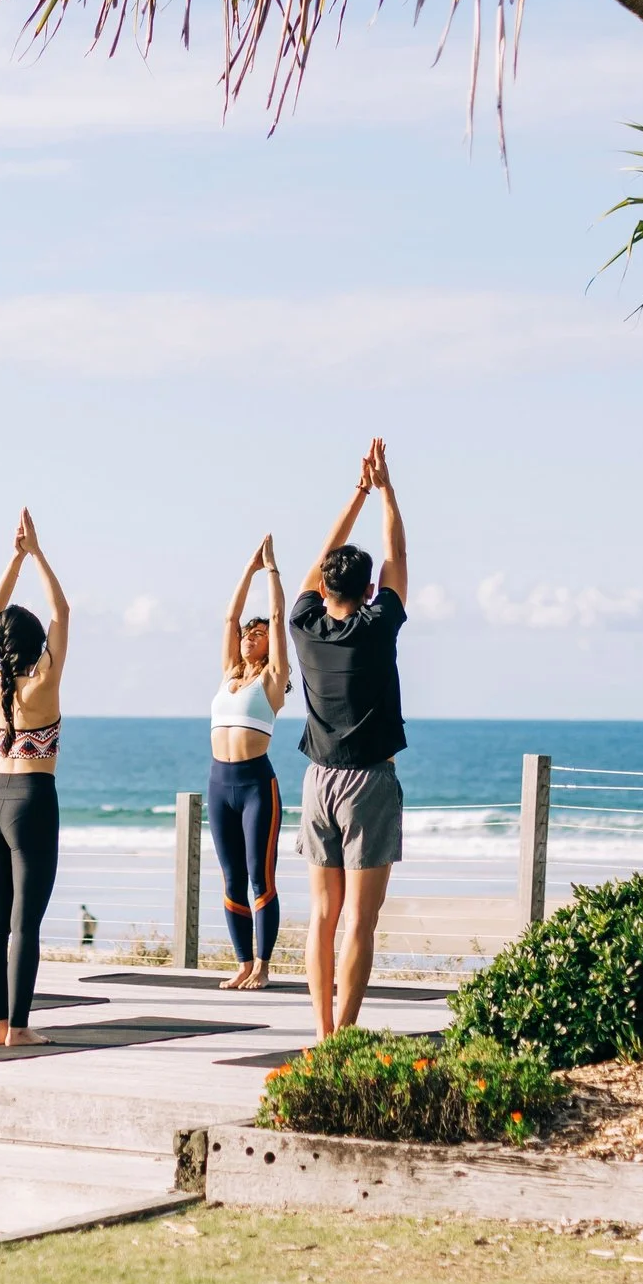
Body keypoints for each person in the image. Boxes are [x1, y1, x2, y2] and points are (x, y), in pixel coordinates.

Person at [290, 438, 409, 1039]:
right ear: (367, 592)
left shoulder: (303, 626)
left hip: (317, 782)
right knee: (361, 917)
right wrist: (386, 492)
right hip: (368, 781)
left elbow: (321, 560)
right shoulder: (378, 622)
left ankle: (322, 1032)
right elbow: (397, 558)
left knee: (322, 915)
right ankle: (347, 1027)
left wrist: (357, 495)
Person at [0, 509, 70, 1046]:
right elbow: (63, 610)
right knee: (25, 925)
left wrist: (13, 560)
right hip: (33, 798)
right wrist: (37, 555)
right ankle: (22, 1030)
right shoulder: (44, 685)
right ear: (36, 646)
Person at [209, 534, 290, 990]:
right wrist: (249, 566)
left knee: (260, 876)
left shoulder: (272, 681)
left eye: (257, 636)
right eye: (247, 634)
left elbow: (277, 617)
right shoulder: (228, 674)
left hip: (257, 785)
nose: (249, 638)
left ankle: (262, 965)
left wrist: (272, 570)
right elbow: (230, 615)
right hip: (220, 783)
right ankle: (242, 962)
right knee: (230, 875)